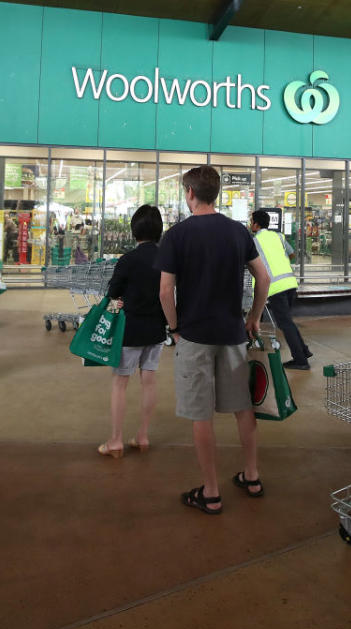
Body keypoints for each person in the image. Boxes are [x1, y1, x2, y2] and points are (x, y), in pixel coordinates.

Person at [156, 165, 271, 515]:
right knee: (242, 408)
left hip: (194, 335)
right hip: (233, 334)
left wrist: (174, 328)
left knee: (201, 415)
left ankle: (211, 492)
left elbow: (165, 291)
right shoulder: (238, 231)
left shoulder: (177, 235)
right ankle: (251, 476)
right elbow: (263, 278)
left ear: (190, 193)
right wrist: (253, 318)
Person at [97, 205, 167, 458]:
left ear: (134, 231)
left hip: (130, 329)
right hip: (157, 328)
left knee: (120, 384)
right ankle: (143, 435)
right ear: (159, 231)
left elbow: (113, 292)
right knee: (149, 382)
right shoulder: (166, 258)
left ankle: (115, 440)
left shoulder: (128, 260)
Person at [249, 209, 311, 370]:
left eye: (251, 221)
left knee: (285, 323)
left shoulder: (254, 241)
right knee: (288, 321)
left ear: (256, 224)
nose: (250, 224)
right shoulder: (278, 236)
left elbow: (250, 263)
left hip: (275, 286)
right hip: (290, 282)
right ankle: (304, 351)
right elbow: (291, 255)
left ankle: (301, 361)